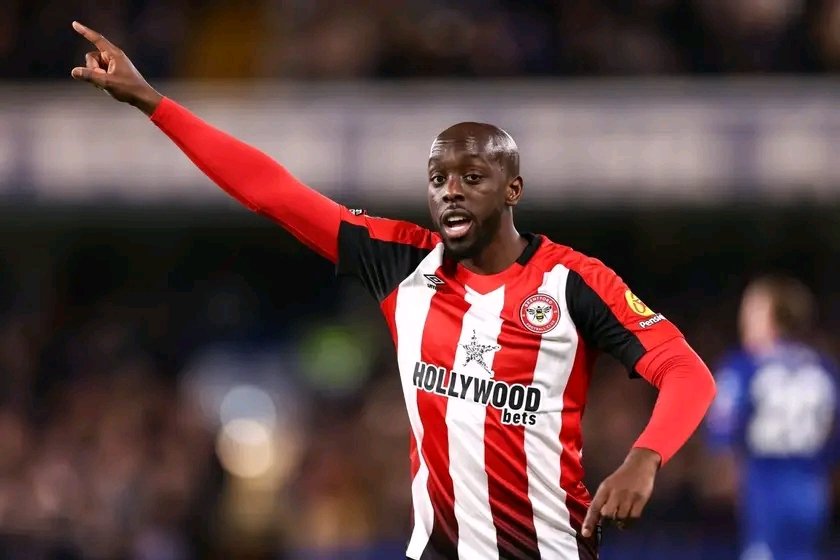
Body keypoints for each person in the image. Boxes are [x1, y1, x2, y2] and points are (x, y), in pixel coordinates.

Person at [69, 21, 716, 560]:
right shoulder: (400, 262)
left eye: (472, 177)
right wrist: (153, 102)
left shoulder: (573, 282)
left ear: (512, 190)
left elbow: (687, 373)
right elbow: (270, 190)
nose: (451, 191)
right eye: (438, 179)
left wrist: (645, 458)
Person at [706, 276, 838, 560]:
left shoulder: (744, 365)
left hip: (766, 487)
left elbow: (722, 428)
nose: (743, 319)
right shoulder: (825, 368)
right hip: (813, 491)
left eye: (752, 310)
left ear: (774, 317)